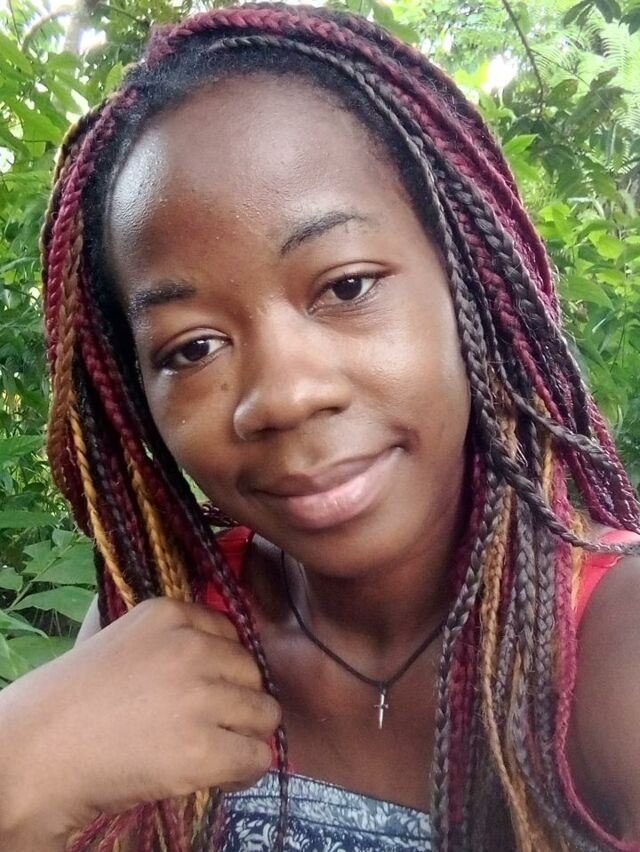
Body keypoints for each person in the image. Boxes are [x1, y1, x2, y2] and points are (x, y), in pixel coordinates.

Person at [1, 3, 639, 849]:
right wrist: (19, 766)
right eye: (193, 347)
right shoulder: (164, 627)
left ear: (469, 287)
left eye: (346, 287)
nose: (284, 397)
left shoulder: (613, 646)